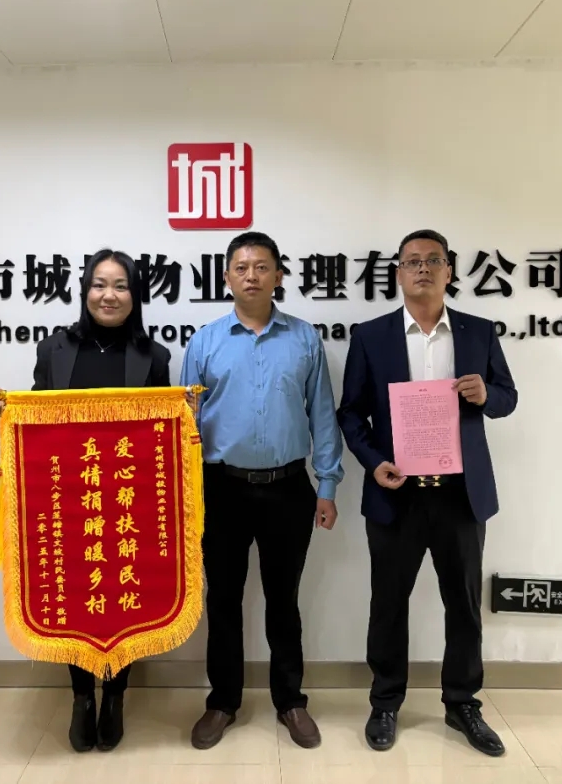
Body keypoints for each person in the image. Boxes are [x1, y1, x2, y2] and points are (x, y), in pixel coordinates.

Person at [336, 229, 517, 756]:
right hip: (397, 493)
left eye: (433, 260)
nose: (422, 268)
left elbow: (507, 397)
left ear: (449, 271)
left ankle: (462, 702)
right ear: (397, 272)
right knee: (389, 603)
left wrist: (486, 395)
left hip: (461, 495)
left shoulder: (478, 332)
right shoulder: (372, 336)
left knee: (463, 604)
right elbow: (351, 413)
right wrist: (374, 462)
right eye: (412, 261)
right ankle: (386, 701)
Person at [0, 249, 172, 754]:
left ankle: (116, 695)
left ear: (135, 295)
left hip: (128, 500)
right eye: (99, 284)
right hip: (70, 498)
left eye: (121, 286)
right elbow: (39, 415)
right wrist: (11, 412)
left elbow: (159, 432)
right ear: (85, 291)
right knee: (76, 594)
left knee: (126, 591)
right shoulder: (54, 349)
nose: (109, 295)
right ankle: (81, 697)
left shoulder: (153, 357)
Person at [180, 231, 344, 751]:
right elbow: (185, 425)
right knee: (224, 600)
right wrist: (185, 494)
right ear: (227, 276)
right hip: (220, 490)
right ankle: (222, 702)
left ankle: (290, 700)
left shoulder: (304, 339)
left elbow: (322, 414)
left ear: (278, 275)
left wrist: (327, 483)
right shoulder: (204, 342)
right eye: (241, 267)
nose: (251, 275)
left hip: (288, 488)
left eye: (261, 266)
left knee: (283, 600)